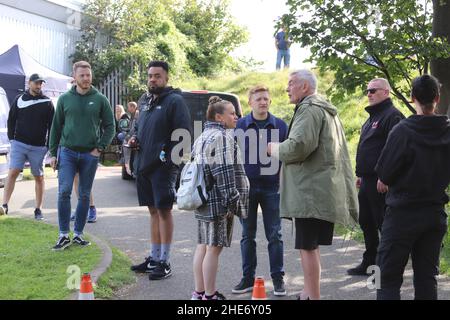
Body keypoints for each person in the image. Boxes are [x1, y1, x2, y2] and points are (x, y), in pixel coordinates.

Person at [267, 70, 358, 300]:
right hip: (320, 189)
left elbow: (298, 147)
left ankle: (313, 297)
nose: (287, 88)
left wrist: (274, 149)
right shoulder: (325, 109)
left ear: (305, 87)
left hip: (310, 192)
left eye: (291, 84)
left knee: (307, 247)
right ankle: (308, 293)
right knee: (310, 246)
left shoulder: (309, 109)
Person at [375, 74, 450, 300]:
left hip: (402, 214)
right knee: (427, 277)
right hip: (434, 214)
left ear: (411, 97)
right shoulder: (447, 130)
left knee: (385, 277)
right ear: (437, 98)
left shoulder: (403, 131)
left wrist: (386, 180)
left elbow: (385, 172)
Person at [129, 60, 192, 280]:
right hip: (144, 166)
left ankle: (164, 261)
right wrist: (134, 138)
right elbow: (137, 127)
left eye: (157, 76)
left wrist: (170, 162)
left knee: (164, 211)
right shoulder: (145, 101)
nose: (152, 79)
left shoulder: (175, 101)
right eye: (150, 76)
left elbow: (184, 135)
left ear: (166, 78)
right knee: (153, 211)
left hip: (163, 169)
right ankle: (154, 258)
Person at [49, 61, 115, 251]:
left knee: (85, 194)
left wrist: (100, 148)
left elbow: (110, 127)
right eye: (82, 75)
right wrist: (53, 153)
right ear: (75, 77)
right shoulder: (64, 99)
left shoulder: (100, 99)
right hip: (67, 152)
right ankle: (63, 235)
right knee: (64, 191)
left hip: (89, 155)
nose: (86, 78)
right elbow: (56, 127)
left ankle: (78, 234)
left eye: (88, 75)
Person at [191, 96, 249, 300]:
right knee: (213, 249)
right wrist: (234, 202)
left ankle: (198, 293)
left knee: (203, 246)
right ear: (219, 117)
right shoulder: (222, 137)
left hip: (202, 200)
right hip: (218, 203)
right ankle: (210, 295)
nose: (237, 116)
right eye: (232, 113)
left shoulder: (202, 136)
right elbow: (223, 174)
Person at [232, 86, 288, 296]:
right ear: (250, 103)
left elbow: (288, 158)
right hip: (246, 188)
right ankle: (247, 279)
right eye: (258, 99)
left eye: (266, 98)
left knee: (275, 235)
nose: (263, 102)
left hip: (272, 188)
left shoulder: (281, 126)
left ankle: (278, 279)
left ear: (270, 101)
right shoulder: (240, 126)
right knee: (248, 235)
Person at [347, 78, 405, 276]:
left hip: (382, 183)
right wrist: (360, 174)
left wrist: (386, 177)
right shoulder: (372, 117)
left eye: (373, 90)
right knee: (367, 222)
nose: (369, 93)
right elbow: (368, 147)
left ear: (386, 92)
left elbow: (395, 152)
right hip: (367, 180)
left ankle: (387, 268)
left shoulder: (393, 116)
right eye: (367, 90)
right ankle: (370, 262)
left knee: (384, 226)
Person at [0, 73, 54, 220]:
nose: (39, 86)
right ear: (29, 83)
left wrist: (48, 146)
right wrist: (12, 139)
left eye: (41, 83)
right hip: (19, 144)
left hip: (39, 147)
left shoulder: (47, 102)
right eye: (36, 83)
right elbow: (11, 120)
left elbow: (53, 126)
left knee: (39, 177)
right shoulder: (19, 99)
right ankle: (4, 205)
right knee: (12, 173)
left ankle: (38, 209)